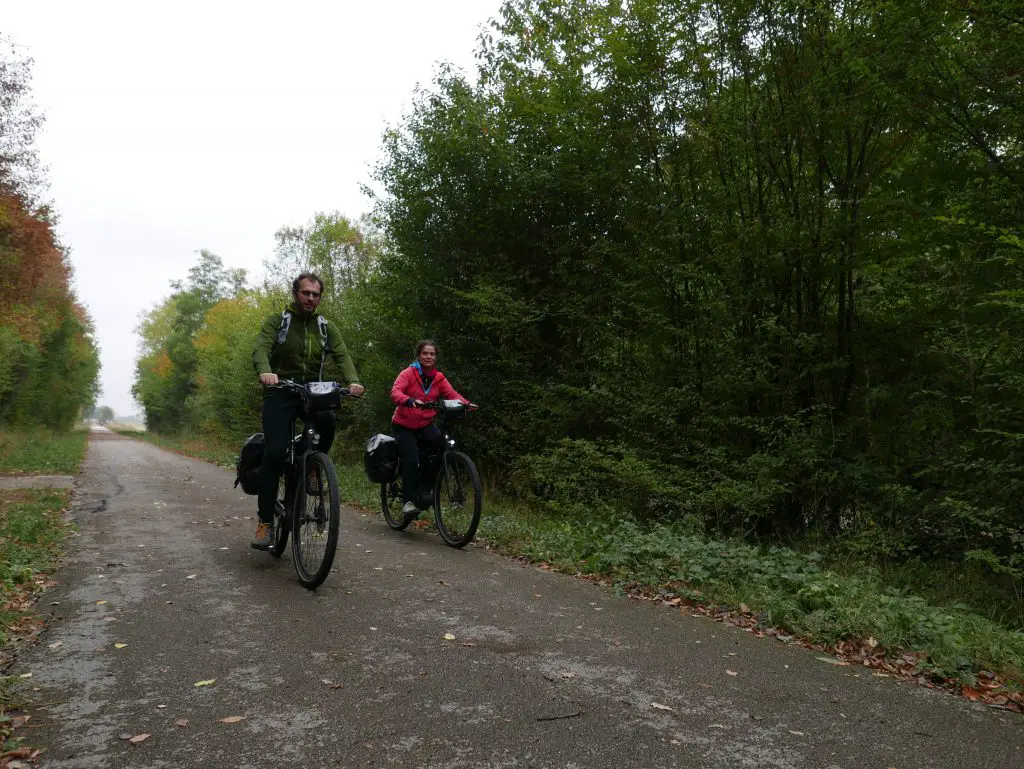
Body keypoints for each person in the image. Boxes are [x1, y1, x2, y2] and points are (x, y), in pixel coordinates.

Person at [250, 272, 364, 549]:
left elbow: (342, 355)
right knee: (274, 453)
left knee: (327, 422)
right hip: (280, 392)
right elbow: (260, 349)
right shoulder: (278, 322)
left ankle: (311, 466)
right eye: (306, 293)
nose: (311, 298)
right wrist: (266, 371)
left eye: (315, 294)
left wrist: (353, 380)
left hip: (312, 391)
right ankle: (265, 521)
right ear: (295, 293)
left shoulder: (325, 327)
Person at [390, 340, 472, 522]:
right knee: (412, 460)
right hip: (403, 425)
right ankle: (408, 502)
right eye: (425, 353)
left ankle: (425, 490)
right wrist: (409, 400)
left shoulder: (438, 377)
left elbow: (452, 394)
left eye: (432, 354)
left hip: (425, 424)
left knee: (442, 447)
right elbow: (395, 391)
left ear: (436, 357)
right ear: (419, 355)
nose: (428, 357)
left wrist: (466, 404)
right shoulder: (409, 373)